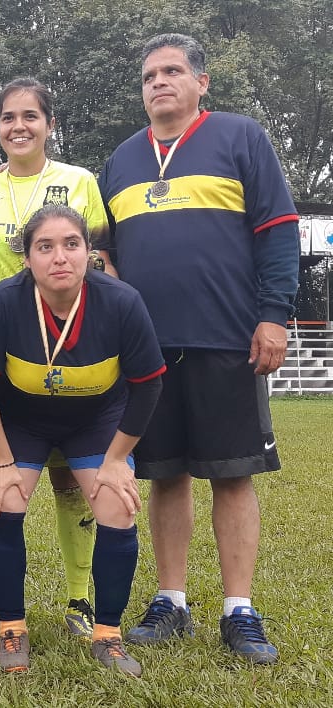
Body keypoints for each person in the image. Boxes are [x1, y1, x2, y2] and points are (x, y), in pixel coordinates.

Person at [98, 33, 298, 665]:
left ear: (201, 82)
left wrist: (274, 317)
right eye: (150, 74)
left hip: (227, 339)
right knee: (164, 475)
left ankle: (239, 609)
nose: (160, 82)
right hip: (149, 348)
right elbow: (106, 255)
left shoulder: (242, 138)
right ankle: (172, 599)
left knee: (233, 474)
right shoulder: (122, 160)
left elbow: (277, 233)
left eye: (173, 71)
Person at [0, 204, 165, 675]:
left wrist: (117, 461)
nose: (60, 257)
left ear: (89, 252)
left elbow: (149, 384)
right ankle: (12, 626)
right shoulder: (0, 301)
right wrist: (0, 460)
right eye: (45, 247)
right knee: (5, 500)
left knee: (115, 503)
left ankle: (108, 634)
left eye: (71, 244)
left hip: (95, 420)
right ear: (26, 257)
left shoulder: (121, 301)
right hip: (23, 422)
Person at [0, 77, 111, 637]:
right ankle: (0, 606)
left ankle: (79, 600)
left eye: (31, 115)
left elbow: (99, 260)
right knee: (3, 478)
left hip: (71, 344)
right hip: (5, 349)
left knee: (72, 480)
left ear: (50, 124)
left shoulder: (78, 181)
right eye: (8, 117)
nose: (19, 126)